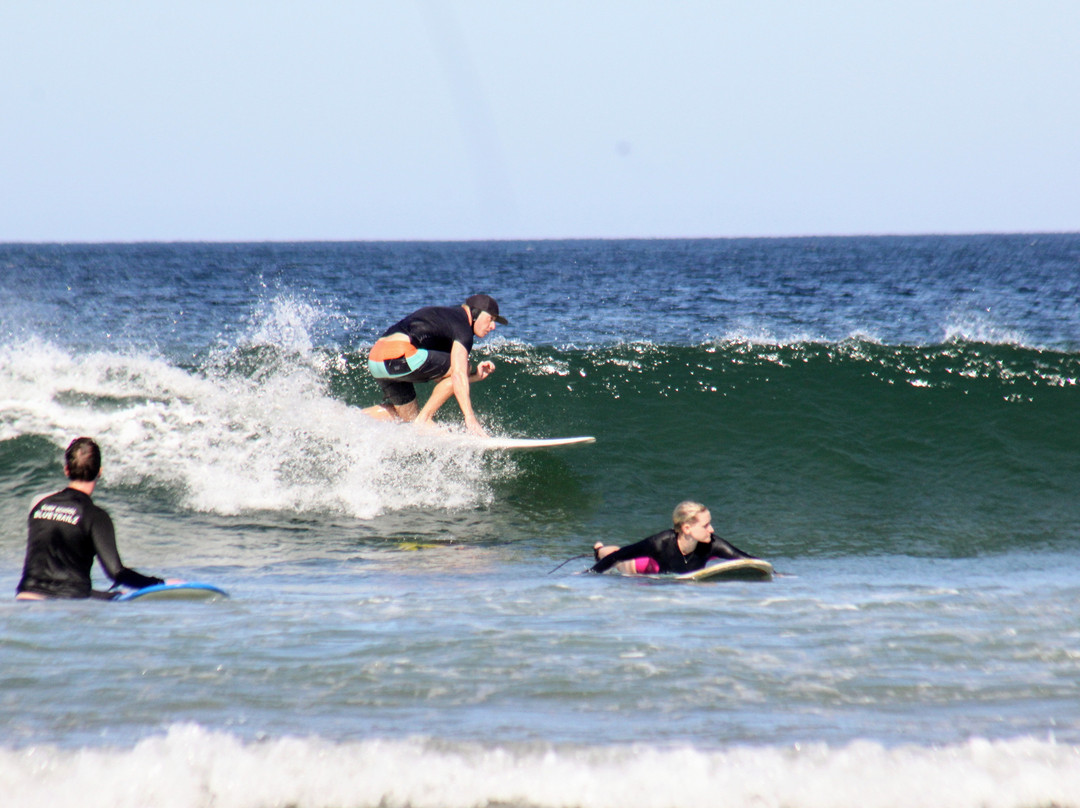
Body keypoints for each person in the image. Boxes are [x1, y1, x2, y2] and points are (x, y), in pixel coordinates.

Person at [15, 437, 164, 600]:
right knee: (118, 599)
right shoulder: (95, 516)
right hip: (67, 602)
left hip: (26, 596)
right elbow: (116, 573)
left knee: (110, 595)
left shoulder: (40, 506)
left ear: (66, 470)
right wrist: (158, 583)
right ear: (99, 472)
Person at [362, 293, 507, 437]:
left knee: (408, 418)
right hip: (401, 354)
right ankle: (424, 420)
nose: (493, 326)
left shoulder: (444, 318)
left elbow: (442, 379)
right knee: (463, 367)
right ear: (475, 313)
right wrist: (470, 417)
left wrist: (474, 377)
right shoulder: (463, 328)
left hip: (376, 361)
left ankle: (349, 418)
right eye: (491, 319)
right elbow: (457, 374)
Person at [589, 500, 756, 575]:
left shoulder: (712, 544)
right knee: (619, 557)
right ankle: (599, 550)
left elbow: (748, 560)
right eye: (705, 525)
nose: (711, 530)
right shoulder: (660, 543)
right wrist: (589, 573)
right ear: (687, 528)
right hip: (643, 568)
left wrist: (775, 574)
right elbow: (620, 556)